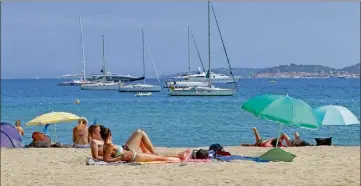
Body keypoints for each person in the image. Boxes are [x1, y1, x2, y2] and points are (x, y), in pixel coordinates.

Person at [97, 126, 190, 163]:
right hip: (131, 154)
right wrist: (120, 158)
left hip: (128, 151)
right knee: (157, 156)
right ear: (110, 135)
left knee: (139, 132)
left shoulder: (105, 145)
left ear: (101, 136)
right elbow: (106, 159)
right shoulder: (108, 145)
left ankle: (179, 155)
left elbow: (104, 157)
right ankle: (179, 155)